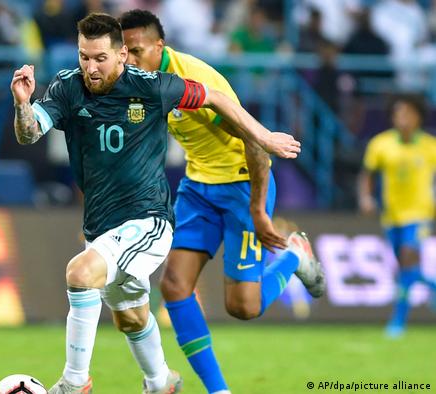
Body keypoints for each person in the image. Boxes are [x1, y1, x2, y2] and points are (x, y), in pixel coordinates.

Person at [10, 12, 301, 394]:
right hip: (101, 225)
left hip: (148, 221)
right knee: (130, 318)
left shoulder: (150, 86)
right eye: (84, 57)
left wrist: (264, 137)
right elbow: (29, 134)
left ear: (120, 55)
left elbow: (212, 97)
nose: (91, 68)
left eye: (100, 58)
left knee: (81, 275)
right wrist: (22, 104)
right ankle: (161, 380)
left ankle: (74, 383)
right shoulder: (68, 88)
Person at [120, 9, 326, 393]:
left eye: (136, 51)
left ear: (159, 47)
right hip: (197, 187)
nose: (129, 60)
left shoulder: (194, 82)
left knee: (243, 307)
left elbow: (257, 145)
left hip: (241, 186)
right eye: (124, 52)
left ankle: (294, 254)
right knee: (175, 286)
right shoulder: (138, 80)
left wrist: (259, 211)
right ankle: (219, 390)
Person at [358, 95, 436, 338]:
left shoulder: (430, 146)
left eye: (408, 114)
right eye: (399, 113)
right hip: (392, 216)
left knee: (408, 258)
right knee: (405, 269)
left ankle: (398, 322)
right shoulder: (380, 144)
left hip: (421, 213)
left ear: (418, 117)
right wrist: (366, 197)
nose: (403, 118)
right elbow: (367, 175)